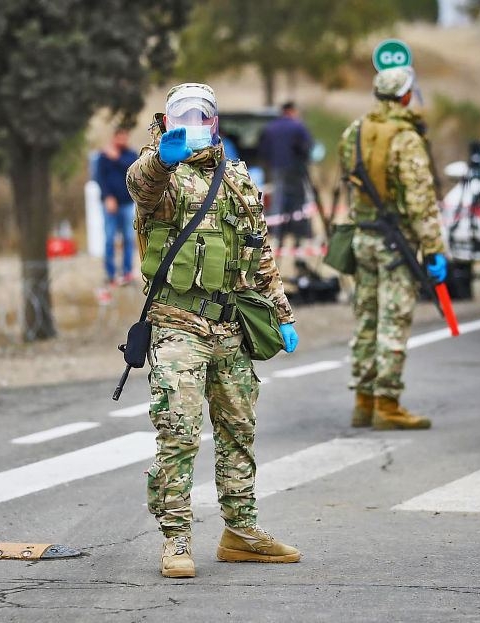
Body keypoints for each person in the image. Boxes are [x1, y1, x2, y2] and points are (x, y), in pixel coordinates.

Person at [126, 83, 301, 579]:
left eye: (201, 115)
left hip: (230, 325)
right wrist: (161, 159)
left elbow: (260, 252)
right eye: (184, 114)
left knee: (238, 430)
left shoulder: (238, 179)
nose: (194, 123)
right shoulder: (163, 173)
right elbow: (141, 187)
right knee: (178, 433)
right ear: (167, 118)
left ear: (215, 121)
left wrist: (282, 314)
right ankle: (177, 539)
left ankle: (241, 532)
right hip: (177, 325)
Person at [338, 66, 448, 431]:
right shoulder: (406, 138)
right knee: (393, 323)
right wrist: (434, 248)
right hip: (395, 241)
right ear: (405, 95)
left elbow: (347, 178)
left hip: (363, 237)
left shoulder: (355, 131)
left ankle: (363, 401)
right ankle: (387, 404)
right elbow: (421, 200)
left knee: (366, 320)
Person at [257, 102, 313, 246]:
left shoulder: (271, 127)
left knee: (278, 201)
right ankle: (298, 235)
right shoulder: (298, 126)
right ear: (292, 111)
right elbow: (307, 146)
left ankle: (277, 235)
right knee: (298, 202)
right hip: (295, 170)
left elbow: (263, 150)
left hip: (276, 169)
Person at [94, 128, 138, 296]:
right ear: (114, 137)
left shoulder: (130, 155)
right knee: (110, 239)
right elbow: (99, 178)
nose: (121, 140)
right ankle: (111, 275)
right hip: (110, 204)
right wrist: (107, 197)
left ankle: (127, 272)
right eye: (119, 137)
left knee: (128, 238)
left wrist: (117, 158)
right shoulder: (103, 156)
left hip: (127, 203)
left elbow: (132, 171)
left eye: (124, 137)